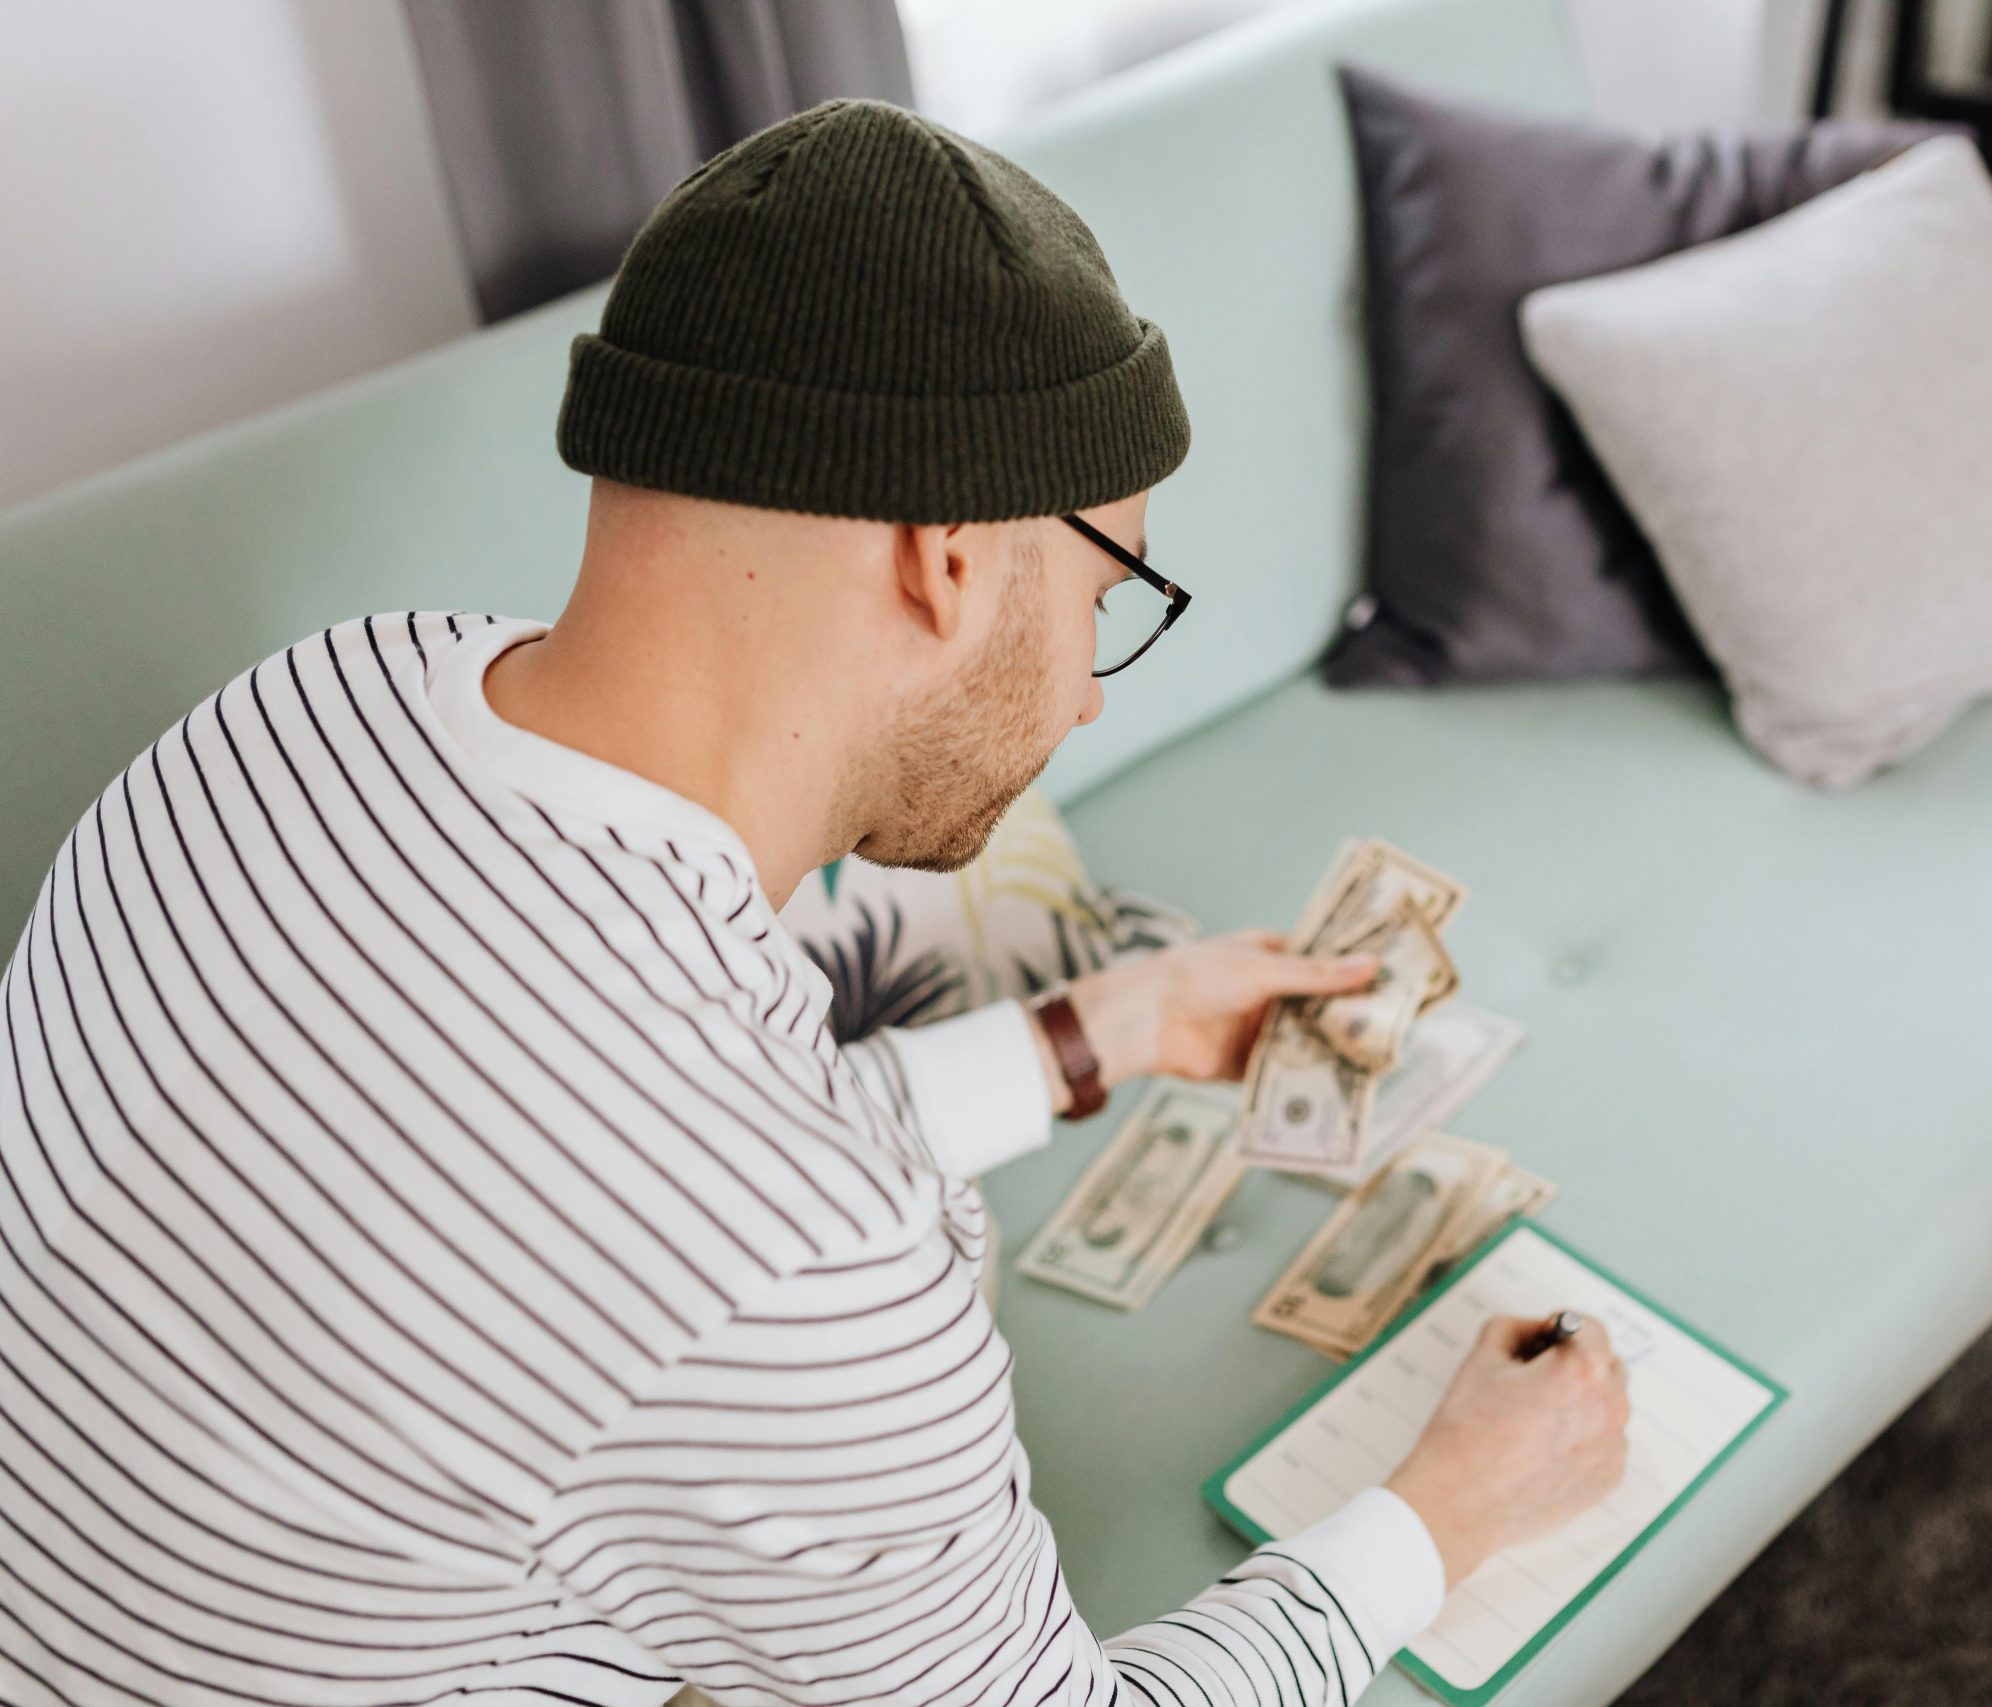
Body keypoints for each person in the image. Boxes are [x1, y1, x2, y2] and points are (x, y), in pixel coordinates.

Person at [0, 98, 1629, 1707]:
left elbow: (617, 1195)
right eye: (1105, 599)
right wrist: (1449, 1511)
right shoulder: (795, 1252)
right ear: (950, 557)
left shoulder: (302, 703)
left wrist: (1097, 1030)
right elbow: (731, 1227)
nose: (1086, 703)